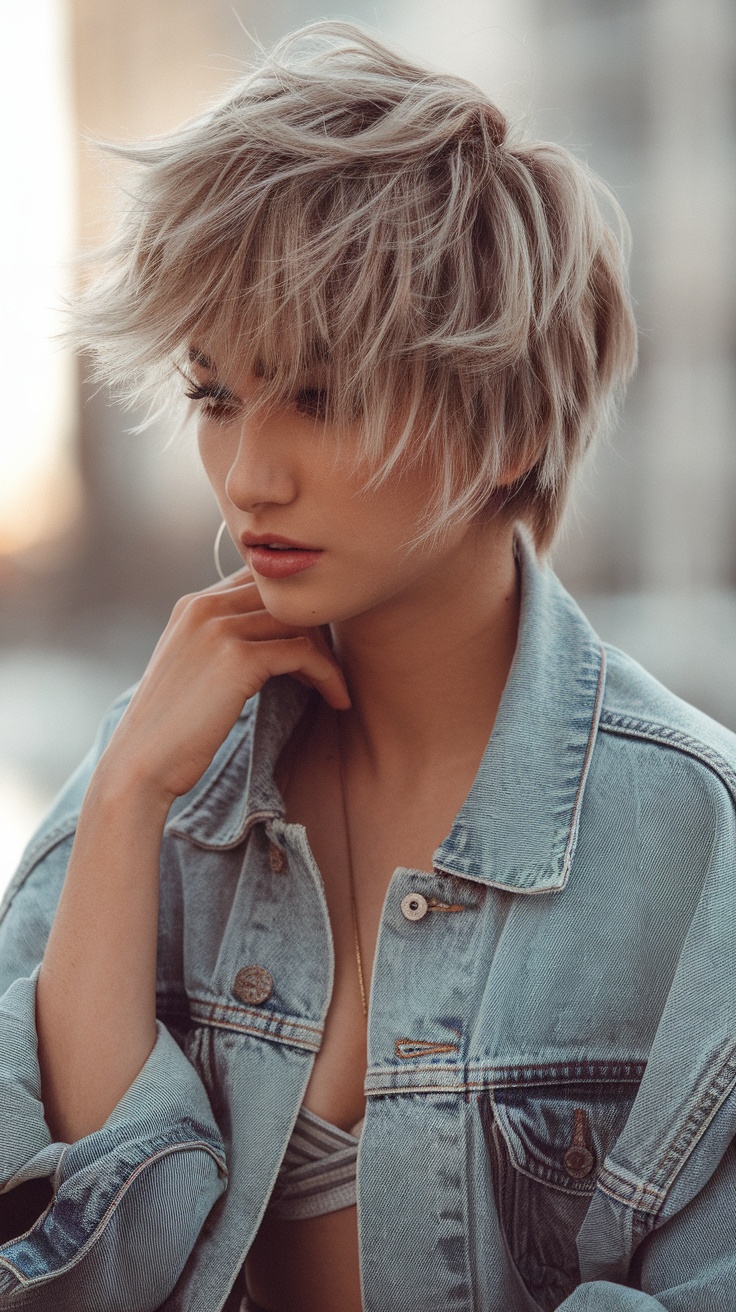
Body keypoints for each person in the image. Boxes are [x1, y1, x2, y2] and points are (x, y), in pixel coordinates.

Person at [1, 18, 735, 1312]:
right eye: (218, 395)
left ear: (505, 427)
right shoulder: (164, 762)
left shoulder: (695, 839)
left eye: (321, 398)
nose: (247, 476)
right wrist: (121, 805)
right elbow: (71, 1270)